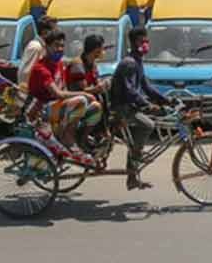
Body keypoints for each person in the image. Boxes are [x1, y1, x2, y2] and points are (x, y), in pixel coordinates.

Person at [28, 30, 102, 165]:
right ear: (46, 47)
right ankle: (68, 138)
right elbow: (58, 94)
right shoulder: (41, 69)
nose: (60, 49)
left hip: (57, 107)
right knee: (81, 100)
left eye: (62, 46)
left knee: (96, 107)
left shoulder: (59, 64)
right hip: (42, 110)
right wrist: (84, 93)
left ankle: (82, 140)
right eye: (56, 46)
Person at [111, 26, 169, 190]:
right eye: (142, 41)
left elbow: (146, 87)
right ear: (134, 43)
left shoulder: (137, 61)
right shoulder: (129, 63)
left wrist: (165, 100)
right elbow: (130, 91)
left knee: (143, 130)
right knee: (148, 125)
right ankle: (137, 156)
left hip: (130, 105)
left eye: (147, 41)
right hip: (122, 107)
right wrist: (148, 105)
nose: (146, 44)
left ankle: (132, 174)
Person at [18, 15, 57, 85]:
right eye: (54, 30)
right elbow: (25, 72)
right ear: (45, 32)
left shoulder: (45, 46)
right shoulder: (36, 47)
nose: (56, 34)